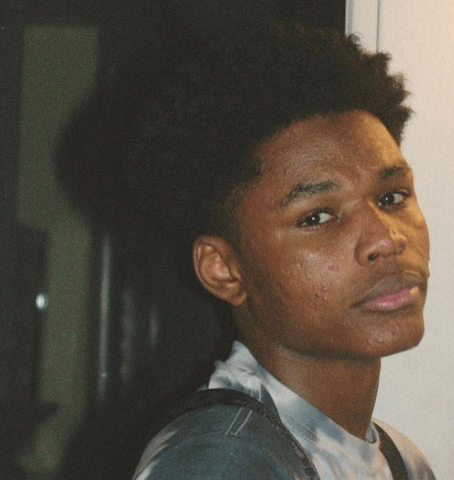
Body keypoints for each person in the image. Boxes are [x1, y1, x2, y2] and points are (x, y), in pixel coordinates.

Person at [113, 22, 434, 479]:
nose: (386, 238)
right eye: (317, 217)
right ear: (224, 270)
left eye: (391, 197)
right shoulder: (219, 463)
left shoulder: (399, 460)